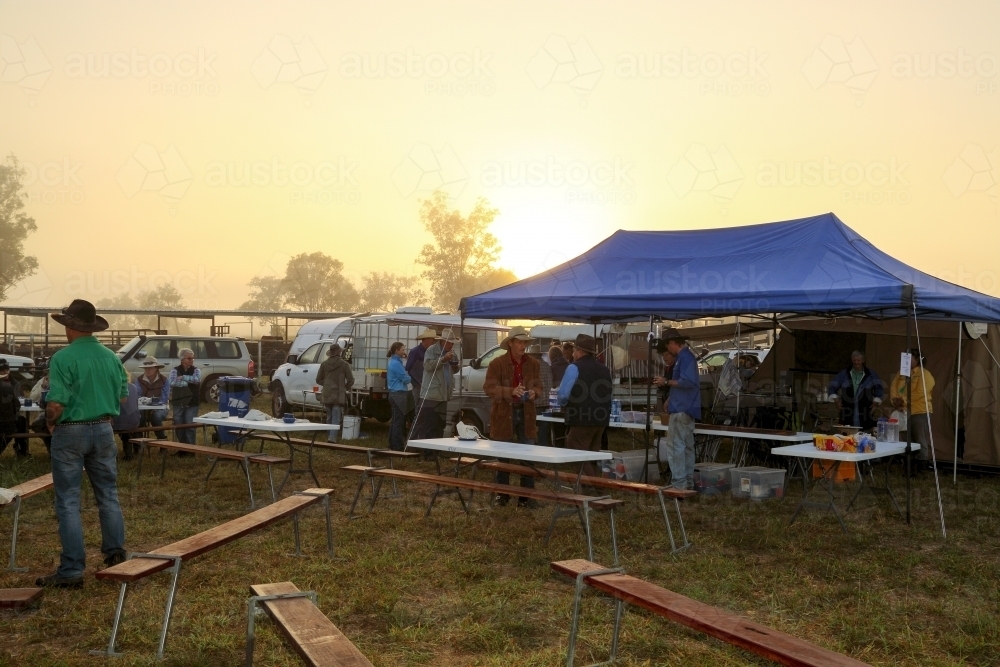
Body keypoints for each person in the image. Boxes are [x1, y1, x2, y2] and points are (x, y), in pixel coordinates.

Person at [37, 299, 128, 588]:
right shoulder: (112, 357)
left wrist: (50, 421)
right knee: (108, 494)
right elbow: (123, 397)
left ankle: (72, 570)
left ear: (70, 327)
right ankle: (116, 554)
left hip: (71, 431)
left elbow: (57, 403)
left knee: (68, 501)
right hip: (103, 428)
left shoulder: (63, 358)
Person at [485, 327, 543, 507]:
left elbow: (539, 386)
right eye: (519, 342)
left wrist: (535, 392)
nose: (523, 345)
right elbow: (489, 389)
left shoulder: (534, 363)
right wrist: (511, 391)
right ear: (510, 343)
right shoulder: (496, 364)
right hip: (504, 414)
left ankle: (526, 497)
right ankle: (503, 494)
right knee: (503, 455)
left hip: (526, 413)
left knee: (528, 454)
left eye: (525, 342)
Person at [556, 334, 612, 478]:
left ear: (580, 351)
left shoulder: (574, 367)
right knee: (592, 454)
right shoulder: (604, 369)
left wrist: (562, 405)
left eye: (574, 350)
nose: (573, 353)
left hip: (580, 418)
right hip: (601, 419)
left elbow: (563, 395)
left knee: (577, 453)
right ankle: (594, 491)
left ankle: (595, 491)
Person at [660, 328, 701, 491]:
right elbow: (685, 383)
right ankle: (687, 482)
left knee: (676, 446)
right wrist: (671, 397)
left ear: (672, 343)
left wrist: (665, 382)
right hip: (686, 407)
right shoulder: (685, 357)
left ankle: (679, 484)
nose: (667, 350)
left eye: (667, 345)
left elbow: (687, 382)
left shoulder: (684, 357)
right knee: (687, 447)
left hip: (682, 408)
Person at [890, 348, 935, 469]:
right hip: (903, 411)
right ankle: (908, 462)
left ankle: (922, 463)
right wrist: (896, 402)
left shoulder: (925, 374)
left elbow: (920, 392)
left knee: (919, 438)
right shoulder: (901, 373)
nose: (907, 361)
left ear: (917, 360)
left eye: (910, 359)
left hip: (920, 411)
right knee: (905, 437)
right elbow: (893, 388)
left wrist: (903, 401)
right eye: (905, 359)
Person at [417, 328, 459, 440]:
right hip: (431, 394)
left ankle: (437, 451)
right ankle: (428, 454)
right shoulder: (431, 350)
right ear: (443, 341)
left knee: (441, 424)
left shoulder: (452, 353)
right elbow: (427, 366)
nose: (451, 345)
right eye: (450, 343)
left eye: (452, 343)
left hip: (444, 395)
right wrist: (443, 359)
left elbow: (455, 370)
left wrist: (455, 366)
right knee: (430, 425)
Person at [827, 350, 883, 430]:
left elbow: (879, 388)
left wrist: (876, 402)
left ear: (863, 361)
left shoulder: (871, 374)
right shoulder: (844, 373)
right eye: (854, 360)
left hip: (865, 410)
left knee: (865, 434)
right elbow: (832, 386)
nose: (856, 362)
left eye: (858, 360)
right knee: (847, 434)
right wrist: (836, 400)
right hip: (847, 410)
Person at [316, 343, 354, 444]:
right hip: (338, 394)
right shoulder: (345, 365)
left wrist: (327, 384)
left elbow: (318, 379)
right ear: (339, 353)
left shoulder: (324, 364)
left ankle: (330, 435)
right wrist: (344, 387)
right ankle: (332, 438)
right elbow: (351, 380)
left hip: (327, 393)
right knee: (336, 417)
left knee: (329, 416)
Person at [168, 347, 201, 449]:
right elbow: (172, 382)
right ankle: (182, 448)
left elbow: (197, 379)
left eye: (192, 358)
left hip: (192, 401)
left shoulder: (196, 370)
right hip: (178, 401)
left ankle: (190, 449)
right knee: (179, 424)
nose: (191, 360)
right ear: (182, 359)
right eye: (189, 358)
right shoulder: (174, 370)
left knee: (190, 425)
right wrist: (187, 382)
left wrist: (183, 377)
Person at [406, 329, 437, 428]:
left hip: (428, 386)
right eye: (433, 340)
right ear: (426, 340)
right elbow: (409, 369)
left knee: (426, 411)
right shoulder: (416, 352)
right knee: (419, 411)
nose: (434, 342)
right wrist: (417, 383)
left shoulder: (430, 351)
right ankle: (414, 435)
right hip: (419, 386)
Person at [135, 357, 169, 440]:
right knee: (138, 416)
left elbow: (164, 398)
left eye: (150, 368)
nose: (148, 370)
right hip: (142, 408)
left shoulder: (164, 380)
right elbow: (137, 396)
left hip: (161, 408)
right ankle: (139, 443)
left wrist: (154, 407)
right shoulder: (139, 380)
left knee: (156, 416)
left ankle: (162, 441)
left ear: (156, 368)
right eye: (146, 368)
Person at [112, 366, 140, 459]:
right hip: (134, 421)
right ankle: (135, 449)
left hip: (117, 422)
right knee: (129, 426)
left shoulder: (111, 388)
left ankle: (126, 454)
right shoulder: (133, 387)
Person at [528, 343, 553, 447]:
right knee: (543, 427)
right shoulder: (547, 366)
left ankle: (531, 446)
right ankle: (543, 447)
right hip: (546, 401)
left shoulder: (531, 366)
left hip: (535, 401)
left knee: (531, 426)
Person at [0, 359, 27, 457]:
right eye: (2, 371)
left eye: (6, 370)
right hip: (5, 420)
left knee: (21, 421)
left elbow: (20, 399)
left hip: (9, 416)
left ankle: (22, 451)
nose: (5, 373)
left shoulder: (15, 383)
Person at [386, 342, 410, 451]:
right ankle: (397, 446)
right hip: (399, 394)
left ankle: (392, 443)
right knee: (399, 421)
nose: (404, 352)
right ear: (397, 351)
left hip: (394, 393)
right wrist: (411, 376)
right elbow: (405, 378)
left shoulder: (394, 361)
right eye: (402, 350)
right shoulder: (396, 364)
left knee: (395, 420)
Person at [651, 341, 677, 412]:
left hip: (674, 401)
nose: (664, 357)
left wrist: (665, 381)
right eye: (663, 355)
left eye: (667, 354)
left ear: (673, 355)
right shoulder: (668, 368)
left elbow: (676, 385)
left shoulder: (676, 368)